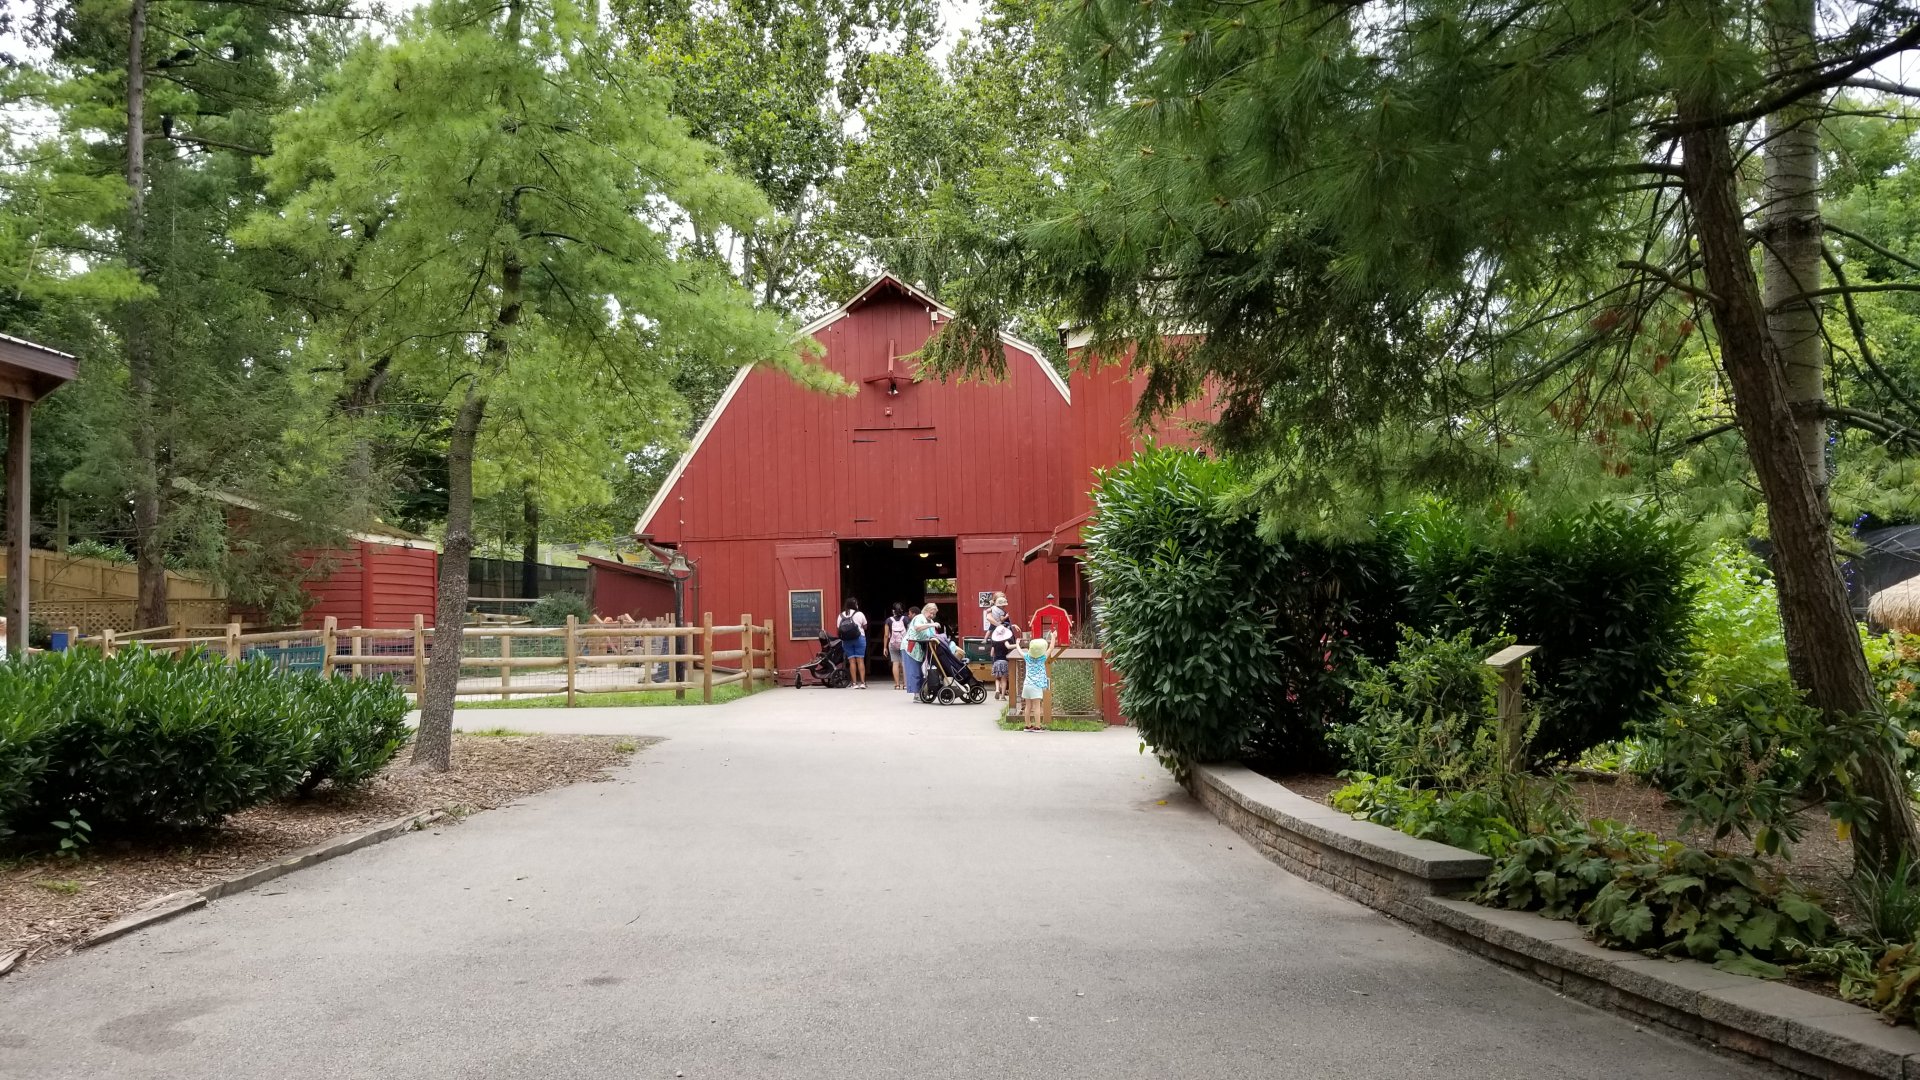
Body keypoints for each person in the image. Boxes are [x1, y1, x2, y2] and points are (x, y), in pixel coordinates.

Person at [903, 602, 939, 697]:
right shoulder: (919, 617)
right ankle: (916, 694)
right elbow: (917, 628)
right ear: (926, 610)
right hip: (911, 646)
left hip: (921, 646)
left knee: (921, 671)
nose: (932, 615)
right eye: (931, 613)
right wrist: (931, 625)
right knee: (915, 670)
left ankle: (921, 692)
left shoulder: (930, 621)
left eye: (934, 614)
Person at [1020, 636, 1054, 731]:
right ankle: (1038, 726)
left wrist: (1017, 644)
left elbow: (1019, 651)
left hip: (1027, 685)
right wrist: (1053, 636)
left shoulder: (1027, 657)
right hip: (1036, 686)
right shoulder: (1042, 658)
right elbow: (1051, 647)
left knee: (1028, 706)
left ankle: (1027, 725)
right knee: (1037, 706)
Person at [837, 598, 868, 689]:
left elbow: (839, 628)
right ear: (855, 605)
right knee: (860, 660)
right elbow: (865, 626)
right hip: (859, 638)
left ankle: (854, 683)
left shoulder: (841, 615)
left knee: (851, 661)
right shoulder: (859, 614)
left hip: (847, 640)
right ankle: (863, 683)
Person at [987, 613, 1018, 700]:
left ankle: (997, 690)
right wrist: (1018, 645)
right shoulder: (1005, 641)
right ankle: (1003, 696)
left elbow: (991, 654)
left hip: (996, 662)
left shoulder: (994, 643)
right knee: (1004, 679)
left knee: (997, 678)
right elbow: (1009, 647)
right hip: (1004, 661)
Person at [885, 603, 909, 690]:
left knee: (895, 663)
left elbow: (886, 635)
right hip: (904, 644)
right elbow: (909, 632)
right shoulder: (906, 619)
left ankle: (897, 685)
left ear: (893, 611)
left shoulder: (888, 620)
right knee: (904, 663)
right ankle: (905, 685)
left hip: (893, 644)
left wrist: (884, 647)